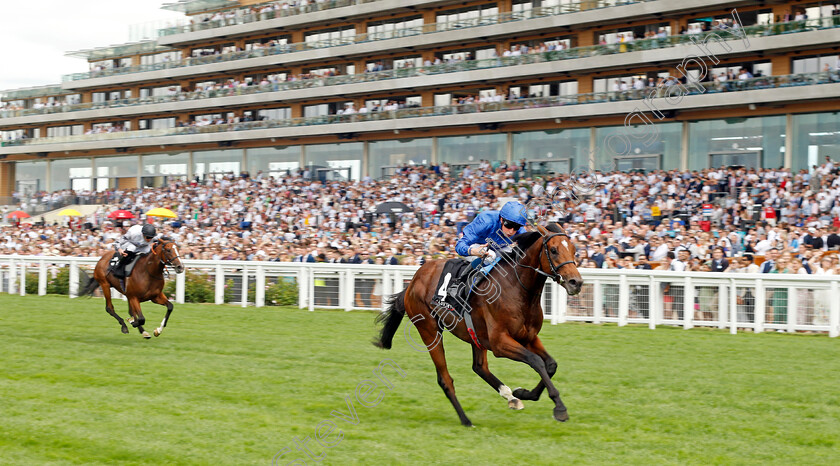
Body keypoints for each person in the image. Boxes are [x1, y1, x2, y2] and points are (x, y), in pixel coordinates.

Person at [113, 223, 157, 288]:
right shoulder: (133, 233)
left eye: (151, 238)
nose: (149, 239)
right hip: (130, 243)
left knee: (149, 252)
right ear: (142, 234)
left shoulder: (154, 236)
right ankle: (120, 269)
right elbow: (117, 243)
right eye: (148, 237)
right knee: (132, 248)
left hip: (143, 246)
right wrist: (120, 250)